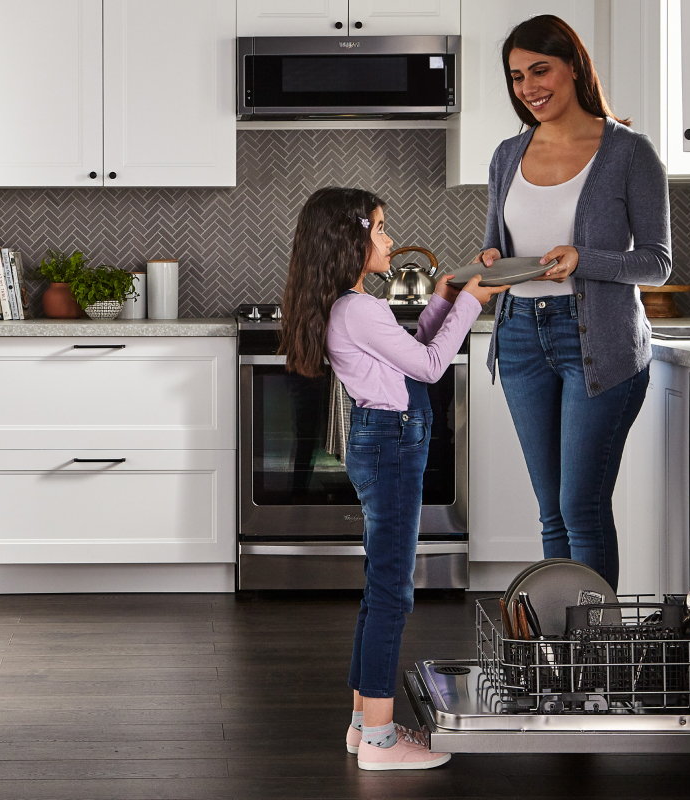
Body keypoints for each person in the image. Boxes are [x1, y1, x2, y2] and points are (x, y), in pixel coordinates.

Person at [280, 187, 506, 770]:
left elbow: (411, 350)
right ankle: (380, 743)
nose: (387, 239)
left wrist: (443, 299)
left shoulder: (353, 306)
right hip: (391, 444)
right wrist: (472, 304)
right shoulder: (359, 309)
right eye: (380, 229)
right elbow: (431, 366)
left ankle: (364, 724)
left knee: (379, 587)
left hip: (384, 440)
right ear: (350, 240)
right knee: (391, 593)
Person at [472, 15, 671, 591]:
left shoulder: (631, 152)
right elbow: (496, 245)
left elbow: (657, 263)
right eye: (516, 76)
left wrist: (585, 259)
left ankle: (595, 655)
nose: (529, 87)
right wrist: (490, 261)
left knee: (581, 506)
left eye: (540, 70)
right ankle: (562, 656)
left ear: (574, 68)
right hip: (519, 339)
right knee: (552, 512)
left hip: (599, 344)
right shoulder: (508, 154)